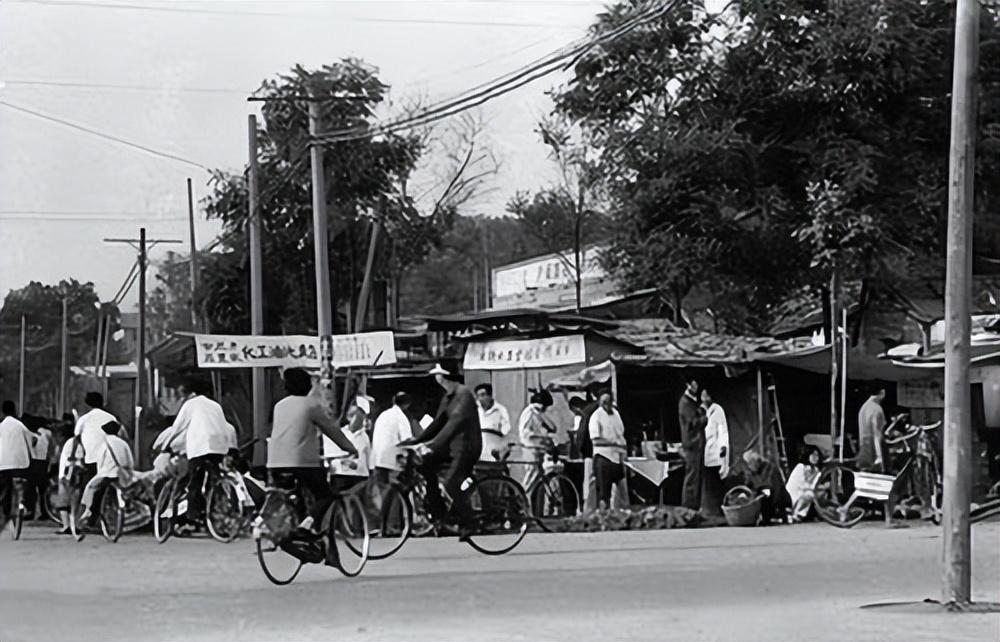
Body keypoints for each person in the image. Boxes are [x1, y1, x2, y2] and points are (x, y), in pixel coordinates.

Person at [266, 368, 357, 535]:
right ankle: (306, 526)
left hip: (275, 461)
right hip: (300, 461)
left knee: (295, 496)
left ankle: (298, 531)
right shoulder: (311, 405)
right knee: (325, 495)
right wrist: (350, 448)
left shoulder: (279, 406)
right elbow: (331, 430)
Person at [401, 363, 482, 538]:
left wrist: (433, 445)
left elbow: (453, 424)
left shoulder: (464, 395)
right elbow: (439, 422)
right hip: (451, 447)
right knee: (424, 467)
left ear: (444, 376)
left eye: (438, 375)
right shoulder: (448, 397)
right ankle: (439, 514)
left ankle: (469, 520)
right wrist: (418, 439)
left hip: (466, 447)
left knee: (450, 484)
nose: (436, 378)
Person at [170, 378, 234, 530]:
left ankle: (193, 518)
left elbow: (177, 427)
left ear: (192, 393)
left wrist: (166, 445)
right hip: (219, 447)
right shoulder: (216, 405)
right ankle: (218, 510)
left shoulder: (191, 404)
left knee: (195, 482)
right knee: (214, 478)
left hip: (200, 447)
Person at [79, 420, 134, 527]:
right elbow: (130, 461)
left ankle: (88, 509)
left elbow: (100, 461)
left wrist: (100, 473)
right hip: (121, 475)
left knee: (90, 487)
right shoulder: (123, 444)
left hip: (106, 474)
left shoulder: (104, 444)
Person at [588, 392, 627, 508]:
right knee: (604, 494)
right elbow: (595, 440)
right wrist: (613, 442)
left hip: (618, 457)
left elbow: (621, 434)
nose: (606, 404)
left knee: (622, 491)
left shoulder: (616, 414)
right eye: (604, 402)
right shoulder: (596, 416)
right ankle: (603, 517)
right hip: (603, 457)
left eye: (608, 401)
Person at [0, 401, 36, 525]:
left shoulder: (1, 426)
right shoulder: (20, 425)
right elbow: (33, 439)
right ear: (14, 410)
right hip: (21, 463)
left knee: (5, 490)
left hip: (3, 464)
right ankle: (21, 504)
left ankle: (6, 514)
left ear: (2, 412)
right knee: (21, 486)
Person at [72, 392, 117, 484]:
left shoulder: (84, 419)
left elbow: (76, 439)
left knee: (90, 487)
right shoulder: (111, 418)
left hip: (91, 459)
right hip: (109, 460)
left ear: (88, 404)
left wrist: (72, 455)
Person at [370, 392, 414, 486]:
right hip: (392, 460)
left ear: (393, 400)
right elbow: (407, 439)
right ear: (407, 404)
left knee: (380, 487)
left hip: (377, 457)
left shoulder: (383, 415)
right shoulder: (401, 417)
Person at [518, 389, 557, 490]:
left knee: (536, 478)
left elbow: (552, 427)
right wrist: (543, 438)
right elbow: (526, 433)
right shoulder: (529, 412)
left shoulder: (538, 413)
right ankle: (521, 496)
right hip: (530, 448)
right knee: (532, 474)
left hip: (538, 448)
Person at [678, 377, 707, 512]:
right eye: (694, 383)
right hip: (692, 443)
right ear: (688, 384)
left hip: (697, 443)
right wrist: (705, 415)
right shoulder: (685, 403)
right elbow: (693, 422)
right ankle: (689, 506)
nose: (696, 386)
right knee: (692, 475)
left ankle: (694, 505)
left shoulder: (691, 402)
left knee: (696, 475)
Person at [701, 389, 730, 518]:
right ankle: (710, 509)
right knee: (708, 482)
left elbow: (723, 430)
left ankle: (719, 509)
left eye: (706, 395)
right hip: (705, 451)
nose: (704, 398)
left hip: (716, 450)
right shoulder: (701, 410)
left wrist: (723, 445)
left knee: (717, 481)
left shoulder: (718, 410)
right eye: (702, 395)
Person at [786, 446, 823, 523]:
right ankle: (797, 513)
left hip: (805, 492)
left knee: (820, 493)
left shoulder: (816, 470)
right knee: (810, 494)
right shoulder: (801, 467)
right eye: (813, 455)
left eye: (817, 456)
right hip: (794, 494)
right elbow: (800, 484)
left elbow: (814, 485)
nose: (815, 458)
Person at [475, 384, 512, 462]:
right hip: (478, 448)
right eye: (478, 396)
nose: (480, 399)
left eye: (483, 395)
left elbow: (506, 431)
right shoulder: (475, 410)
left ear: (490, 396)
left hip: (494, 448)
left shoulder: (500, 410)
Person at [857, 388, 887, 472]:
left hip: (863, 446)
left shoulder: (864, 407)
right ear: (882, 392)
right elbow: (876, 434)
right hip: (872, 450)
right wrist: (879, 456)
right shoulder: (876, 409)